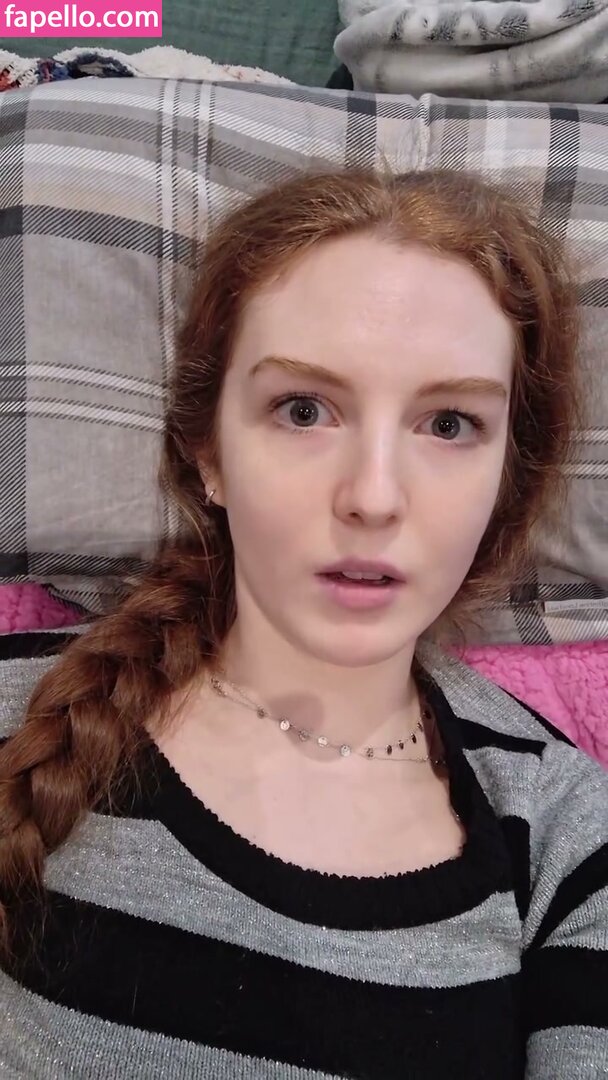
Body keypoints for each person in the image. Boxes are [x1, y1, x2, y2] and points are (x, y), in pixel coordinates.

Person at [0, 167, 606, 1079]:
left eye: (449, 424)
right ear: (208, 449)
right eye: (304, 410)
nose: (373, 497)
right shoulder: (21, 712)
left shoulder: (570, 842)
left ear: (506, 482)